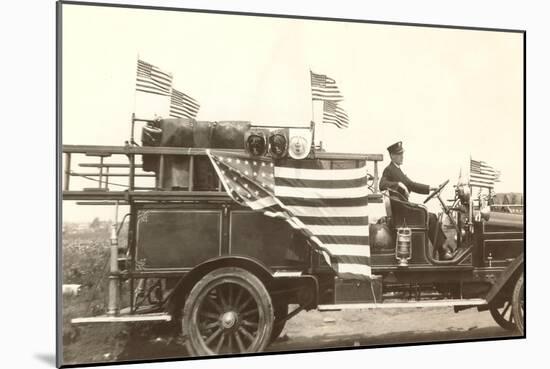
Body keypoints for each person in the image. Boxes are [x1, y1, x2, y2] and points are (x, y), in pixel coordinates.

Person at [379, 141, 454, 260]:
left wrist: (431, 188)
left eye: (402, 154)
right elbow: (382, 184)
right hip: (403, 216)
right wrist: (398, 184)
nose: (402, 156)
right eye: (399, 154)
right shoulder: (389, 169)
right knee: (431, 217)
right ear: (392, 156)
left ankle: (443, 249)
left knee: (432, 216)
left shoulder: (397, 170)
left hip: (405, 213)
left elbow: (412, 185)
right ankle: (443, 250)